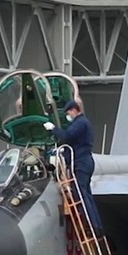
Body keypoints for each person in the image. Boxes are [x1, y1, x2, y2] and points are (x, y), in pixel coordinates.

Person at [43, 100, 103, 235]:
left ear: (74, 110)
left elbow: (67, 137)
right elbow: (73, 143)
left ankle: (91, 226)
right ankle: (96, 226)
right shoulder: (84, 123)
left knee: (80, 194)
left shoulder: (80, 123)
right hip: (85, 161)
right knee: (86, 194)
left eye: (68, 112)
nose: (68, 115)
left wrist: (53, 128)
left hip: (81, 162)